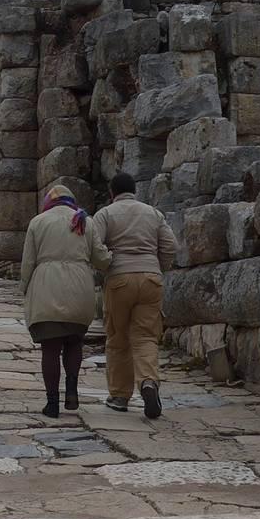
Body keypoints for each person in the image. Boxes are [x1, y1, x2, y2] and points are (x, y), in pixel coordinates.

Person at [90, 171, 177, 419]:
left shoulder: (105, 214)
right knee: (146, 336)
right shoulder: (153, 213)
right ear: (134, 191)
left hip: (119, 279)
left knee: (118, 337)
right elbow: (170, 245)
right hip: (151, 278)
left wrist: (105, 267)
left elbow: (95, 246)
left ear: (112, 193)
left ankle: (119, 396)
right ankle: (148, 382)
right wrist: (158, 267)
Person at [20, 184, 97, 417]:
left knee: (50, 348)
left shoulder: (38, 222)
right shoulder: (85, 221)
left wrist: (25, 288)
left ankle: (52, 403)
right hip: (79, 288)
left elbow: (28, 262)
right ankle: (71, 389)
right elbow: (100, 256)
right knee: (74, 341)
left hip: (47, 287)